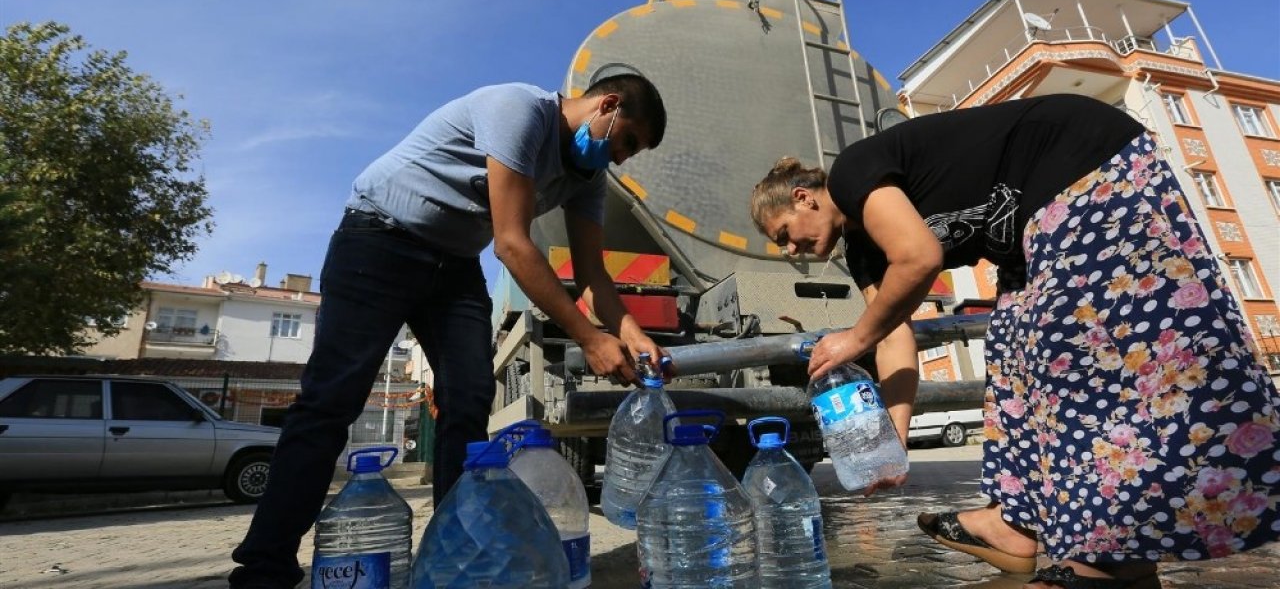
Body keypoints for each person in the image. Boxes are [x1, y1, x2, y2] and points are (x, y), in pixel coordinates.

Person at [749, 94, 1280, 588]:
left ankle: (1101, 555)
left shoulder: (851, 173)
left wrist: (851, 338)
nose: (791, 248)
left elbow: (919, 258)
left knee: (1075, 347)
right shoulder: (863, 253)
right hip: (1033, 234)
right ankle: (1016, 523)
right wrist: (892, 447)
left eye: (783, 234)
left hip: (1081, 164)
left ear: (803, 198)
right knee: (1010, 348)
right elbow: (893, 339)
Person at [230, 73, 669, 589]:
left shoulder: (588, 177)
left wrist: (632, 332)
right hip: (378, 240)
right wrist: (590, 338)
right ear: (608, 106)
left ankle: (453, 558)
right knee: (332, 401)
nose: (621, 157)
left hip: (453, 265)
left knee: (468, 400)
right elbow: (511, 243)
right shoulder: (519, 110)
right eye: (628, 142)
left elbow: (593, 274)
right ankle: (265, 565)